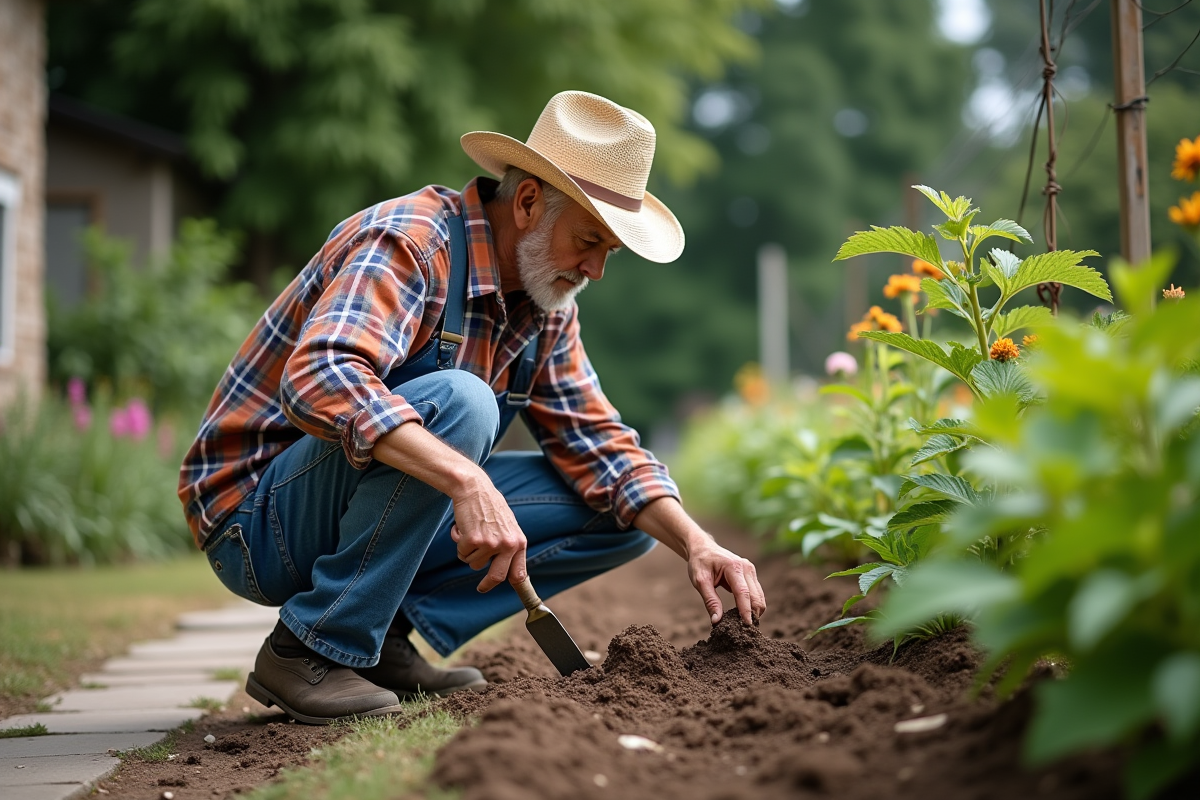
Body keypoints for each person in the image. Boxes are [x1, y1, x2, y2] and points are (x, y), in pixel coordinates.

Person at [178, 91, 767, 724]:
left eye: (610, 253)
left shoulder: (547, 305)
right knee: (463, 402)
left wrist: (698, 543)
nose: (596, 269)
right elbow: (320, 376)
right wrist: (466, 478)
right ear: (529, 202)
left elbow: (601, 445)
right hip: (255, 520)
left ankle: (378, 641)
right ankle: (311, 650)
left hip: (336, 504)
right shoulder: (412, 243)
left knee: (621, 514)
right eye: (588, 239)